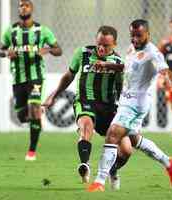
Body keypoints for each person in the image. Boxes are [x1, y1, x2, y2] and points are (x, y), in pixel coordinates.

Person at [87, 19, 172, 192]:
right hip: (126, 101)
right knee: (134, 140)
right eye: (132, 35)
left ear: (148, 34)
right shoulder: (132, 49)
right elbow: (127, 67)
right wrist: (108, 65)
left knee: (112, 134)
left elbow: (165, 71)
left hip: (136, 104)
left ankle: (99, 181)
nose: (135, 39)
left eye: (139, 35)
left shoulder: (153, 53)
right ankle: (169, 163)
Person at [42, 25, 132, 190]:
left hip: (108, 107)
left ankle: (112, 169)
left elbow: (120, 91)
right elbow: (69, 75)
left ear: (115, 44)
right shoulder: (82, 53)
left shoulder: (118, 63)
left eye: (106, 45)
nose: (101, 48)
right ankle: (85, 165)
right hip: (85, 101)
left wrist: (125, 112)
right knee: (86, 125)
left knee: (126, 150)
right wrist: (53, 95)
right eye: (99, 43)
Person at [0, 0, 62, 161]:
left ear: (31, 9)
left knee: (34, 106)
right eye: (20, 5)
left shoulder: (42, 31)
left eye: (26, 5)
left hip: (36, 77)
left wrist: (46, 49)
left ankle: (32, 151)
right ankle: (37, 119)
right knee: (21, 116)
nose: (23, 8)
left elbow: (58, 50)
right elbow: (0, 50)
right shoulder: (10, 31)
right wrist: (6, 54)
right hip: (18, 78)